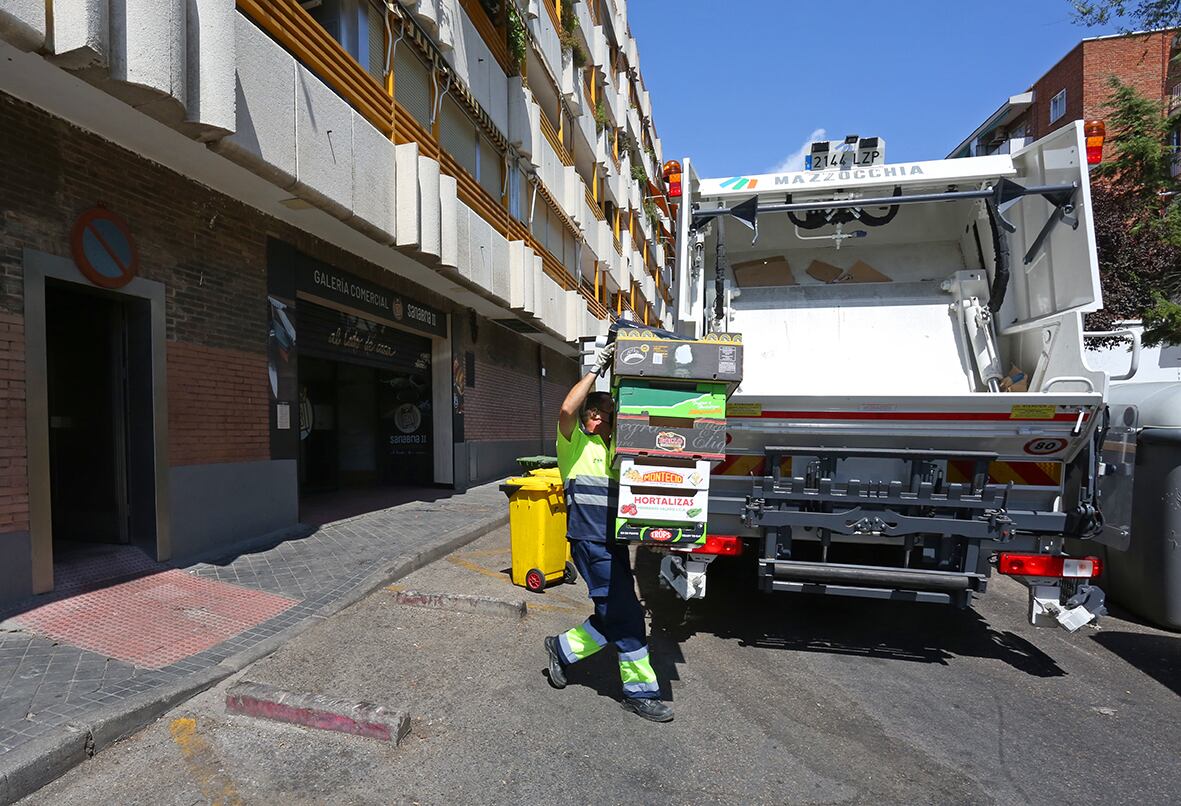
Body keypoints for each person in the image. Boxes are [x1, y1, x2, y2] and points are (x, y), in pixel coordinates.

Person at [543, 342, 673, 723]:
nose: (598, 419)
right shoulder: (573, 442)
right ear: (586, 417)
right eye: (594, 413)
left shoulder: (618, 455)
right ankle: (640, 692)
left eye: (607, 414)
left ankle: (563, 649)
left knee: (611, 612)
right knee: (628, 616)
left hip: (613, 542)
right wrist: (598, 367)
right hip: (588, 540)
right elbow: (567, 409)